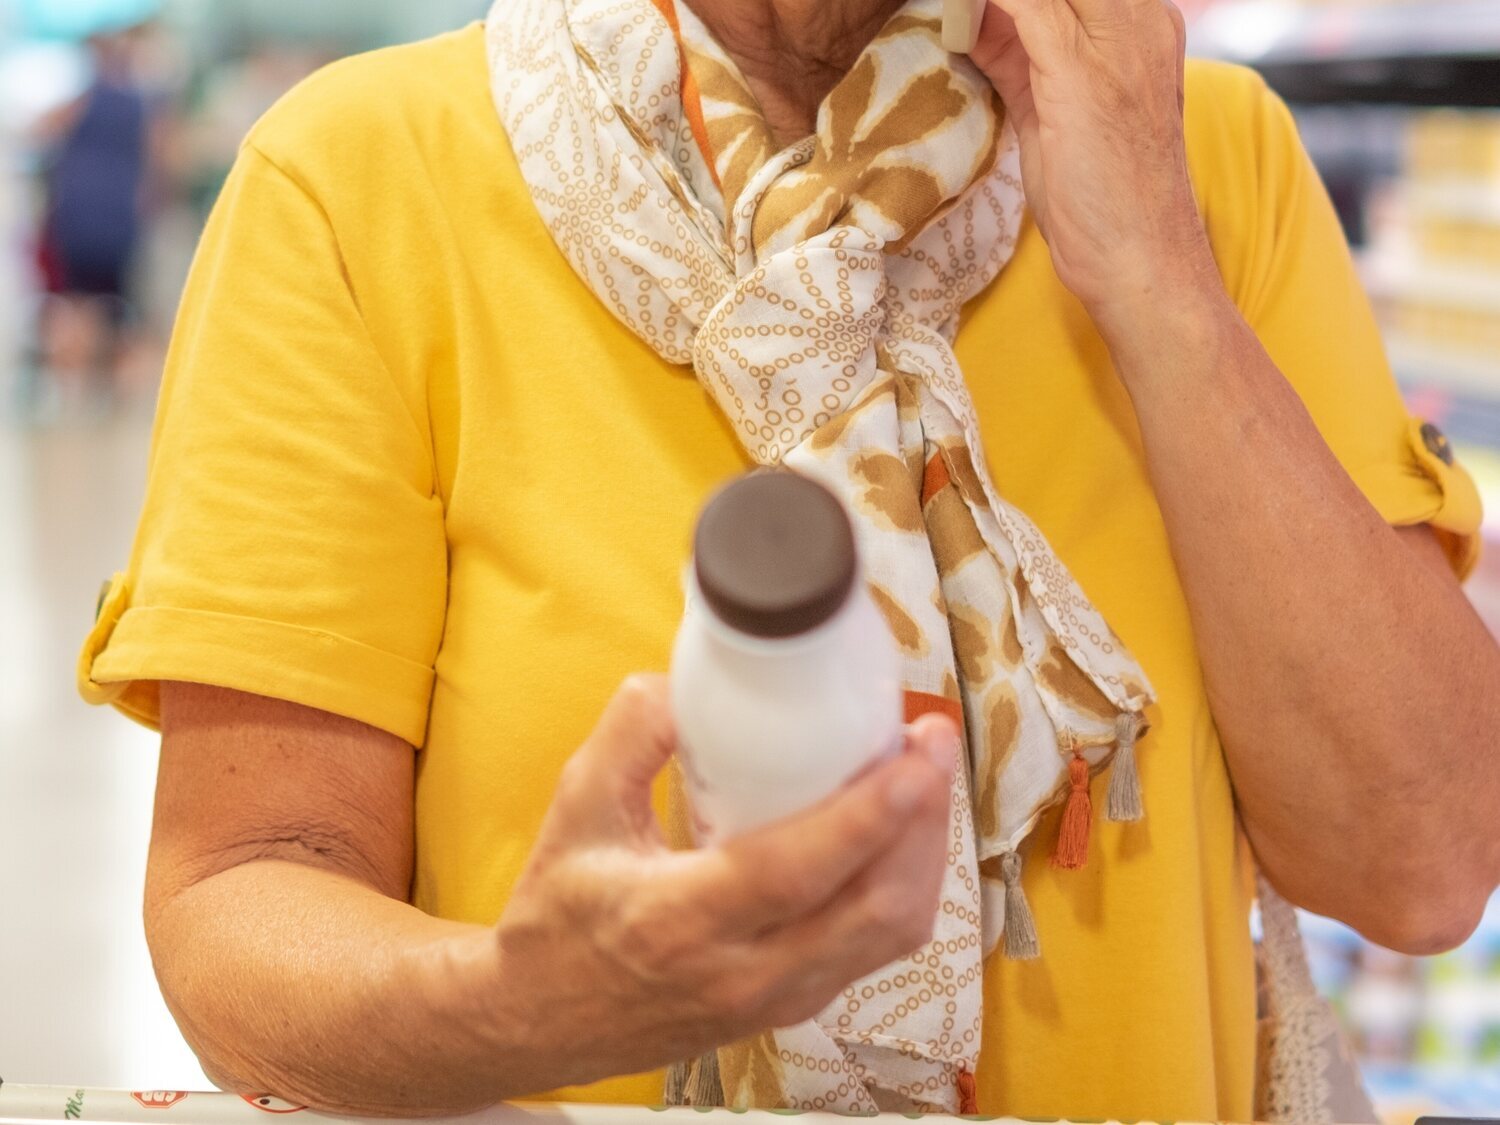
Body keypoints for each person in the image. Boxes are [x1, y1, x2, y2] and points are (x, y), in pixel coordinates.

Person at [78, 0, 1500, 1118]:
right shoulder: (362, 181)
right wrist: (538, 996)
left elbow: (1424, 866)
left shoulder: (1201, 146)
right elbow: (242, 899)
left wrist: (1159, 278)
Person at [34, 29, 150, 396]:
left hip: (80, 213)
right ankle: (102, 382)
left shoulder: (80, 103)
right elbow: (157, 160)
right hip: (118, 214)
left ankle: (73, 381)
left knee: (74, 302)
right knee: (110, 304)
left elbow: (42, 132)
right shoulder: (140, 104)